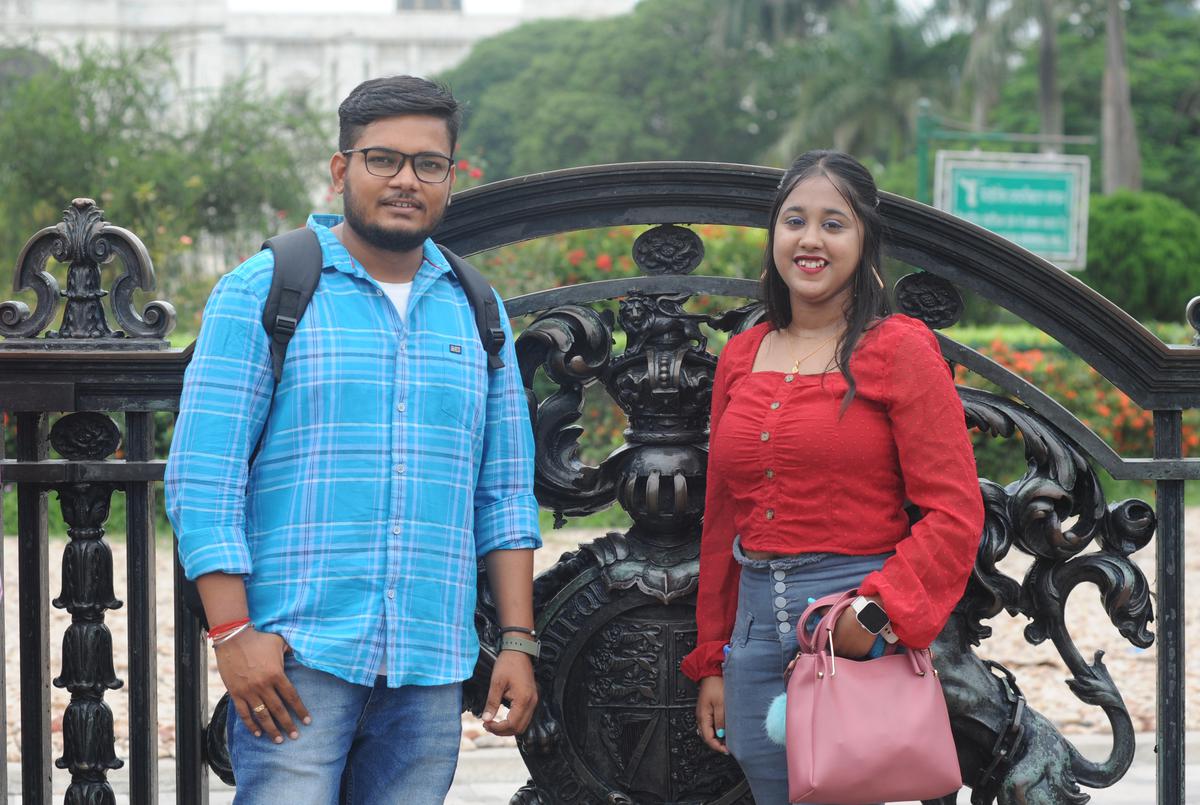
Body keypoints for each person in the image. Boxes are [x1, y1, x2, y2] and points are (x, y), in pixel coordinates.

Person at [165, 75, 541, 805]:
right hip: (298, 660)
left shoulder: (477, 309)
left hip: (429, 668)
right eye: (383, 159)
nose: (406, 179)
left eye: (428, 164)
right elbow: (203, 481)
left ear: (450, 179)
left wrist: (519, 642)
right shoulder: (268, 288)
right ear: (342, 170)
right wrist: (233, 633)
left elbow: (503, 491)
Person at [680, 150, 985, 804]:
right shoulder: (742, 353)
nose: (810, 239)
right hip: (754, 637)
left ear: (866, 240)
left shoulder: (899, 347)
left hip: (852, 629)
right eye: (794, 220)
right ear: (774, 237)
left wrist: (878, 612)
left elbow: (954, 511)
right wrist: (714, 659)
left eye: (833, 223)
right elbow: (722, 523)